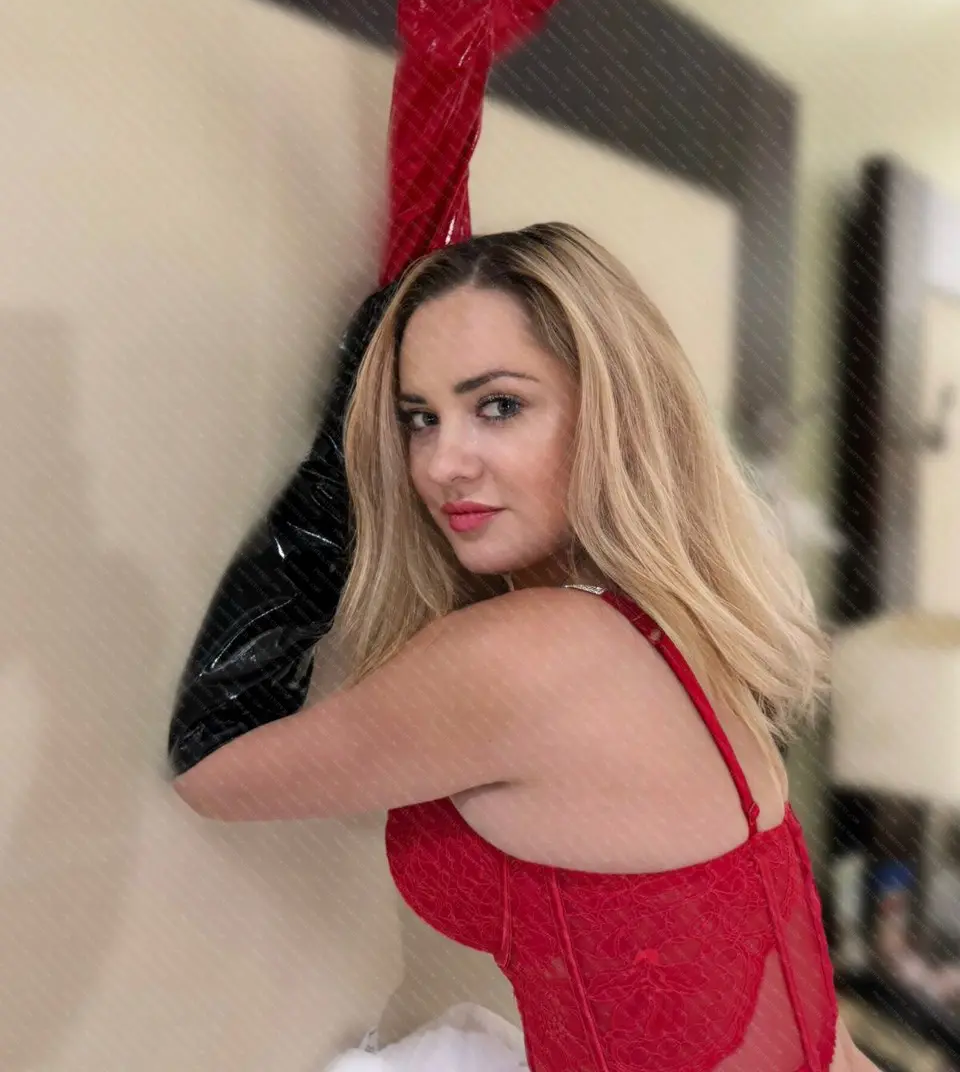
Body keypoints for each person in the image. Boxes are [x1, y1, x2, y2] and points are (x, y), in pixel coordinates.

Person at [172, 217, 881, 1071]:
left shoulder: (526, 654)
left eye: (498, 406)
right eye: (417, 418)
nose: (442, 464)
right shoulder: (689, 631)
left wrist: (330, 484)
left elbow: (213, 768)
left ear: (614, 412)